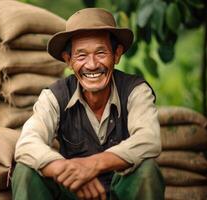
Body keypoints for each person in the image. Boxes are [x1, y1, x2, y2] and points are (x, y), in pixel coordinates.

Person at [12, 7, 165, 200]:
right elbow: (27, 143)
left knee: (147, 170)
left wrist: (93, 164)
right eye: (81, 55)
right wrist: (67, 169)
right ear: (68, 60)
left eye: (101, 53)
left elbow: (149, 138)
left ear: (116, 55)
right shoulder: (54, 96)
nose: (92, 65)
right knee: (25, 171)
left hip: (120, 192)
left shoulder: (135, 90)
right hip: (74, 193)